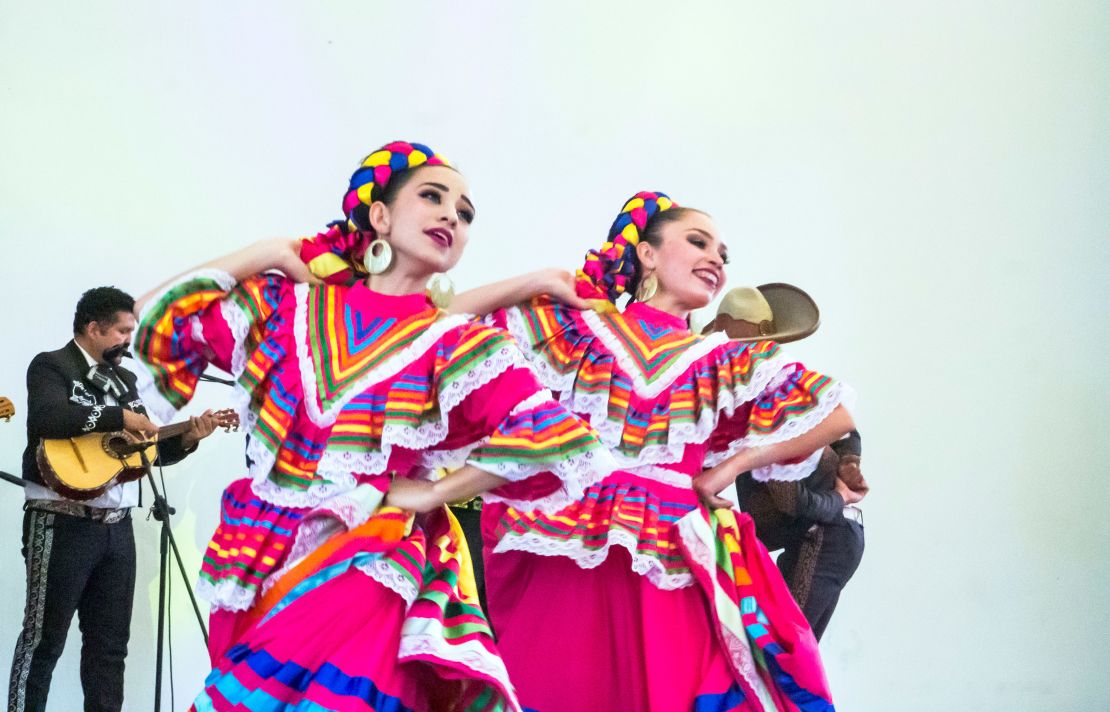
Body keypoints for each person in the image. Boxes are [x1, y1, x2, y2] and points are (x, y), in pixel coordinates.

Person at [133, 141, 615, 711]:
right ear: (379, 215)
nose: (450, 217)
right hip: (256, 557)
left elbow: (557, 439)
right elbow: (150, 314)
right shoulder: (284, 309)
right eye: (432, 197)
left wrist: (436, 492)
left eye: (464, 214)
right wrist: (273, 250)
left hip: (371, 553)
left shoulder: (460, 344)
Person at [462, 192, 855, 711]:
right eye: (697, 242)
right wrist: (540, 280)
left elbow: (838, 413)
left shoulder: (722, 359)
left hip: (670, 546)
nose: (715, 258)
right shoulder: (574, 331)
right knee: (558, 684)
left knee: (667, 691)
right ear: (647, 254)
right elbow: (440, 323)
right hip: (571, 537)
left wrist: (734, 466)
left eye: (722, 254)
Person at [9, 286, 218, 712]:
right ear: (94, 329)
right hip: (59, 519)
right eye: (123, 331)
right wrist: (119, 416)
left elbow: (142, 454)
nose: (128, 340)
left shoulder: (125, 382)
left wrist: (187, 440)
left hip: (115, 528)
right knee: (43, 642)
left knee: (109, 648)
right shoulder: (52, 367)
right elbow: (48, 417)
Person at [707, 284, 868, 641]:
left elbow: (791, 499)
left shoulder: (773, 400)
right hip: (823, 531)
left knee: (784, 646)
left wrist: (843, 487)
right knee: (791, 648)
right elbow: (846, 430)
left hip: (823, 532)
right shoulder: (774, 396)